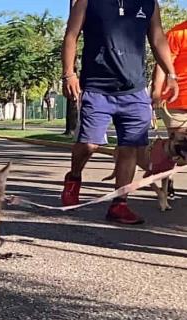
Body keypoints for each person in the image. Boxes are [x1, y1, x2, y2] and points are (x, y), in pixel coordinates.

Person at [61, 0, 179, 225]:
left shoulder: (149, 3)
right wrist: (69, 73)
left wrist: (170, 74)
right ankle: (74, 177)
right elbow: (71, 36)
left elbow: (157, 39)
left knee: (130, 147)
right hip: (97, 87)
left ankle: (119, 204)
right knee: (89, 144)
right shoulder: (87, 2)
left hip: (134, 90)